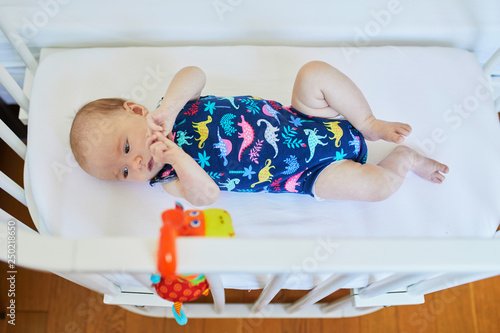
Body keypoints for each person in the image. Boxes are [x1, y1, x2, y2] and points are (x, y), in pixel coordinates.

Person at [70, 62, 449, 207]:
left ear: (137, 111)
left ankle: (368, 123)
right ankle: (404, 161)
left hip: (308, 119)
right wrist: (178, 159)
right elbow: (207, 195)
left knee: (313, 73)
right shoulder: (170, 178)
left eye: (126, 147)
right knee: (376, 189)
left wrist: (167, 108)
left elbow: (195, 74)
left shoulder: (174, 105)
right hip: (308, 174)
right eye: (123, 172)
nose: (136, 163)